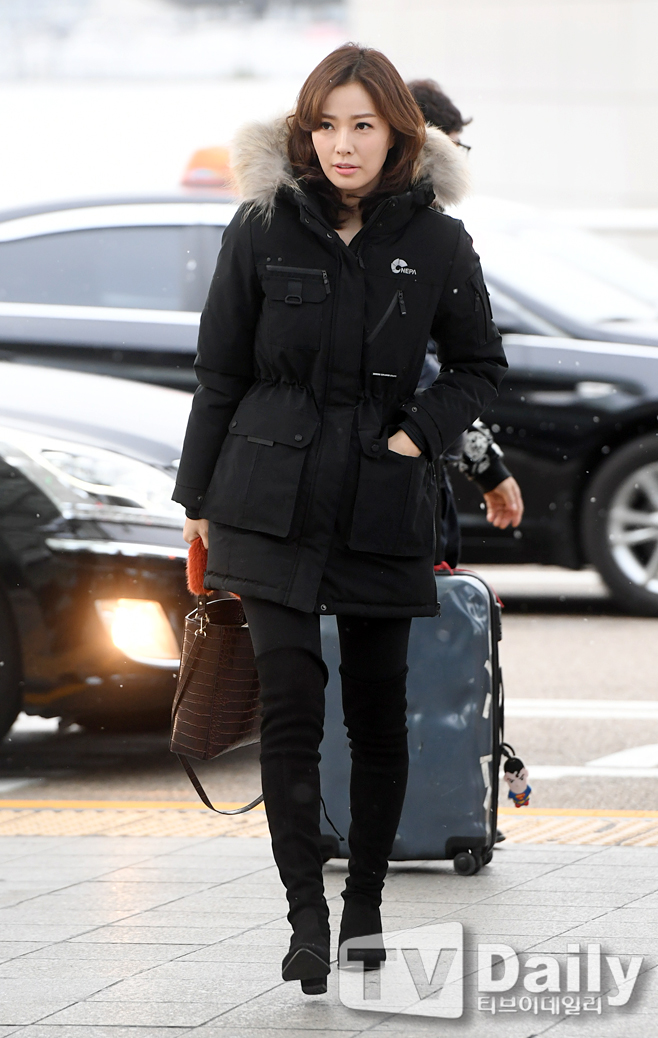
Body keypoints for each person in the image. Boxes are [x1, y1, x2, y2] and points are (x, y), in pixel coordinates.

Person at [173, 44, 507, 995]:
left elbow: (480, 367)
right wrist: (196, 502)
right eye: (326, 125)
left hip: (382, 504)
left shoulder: (438, 242)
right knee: (288, 707)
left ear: (398, 133)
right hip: (264, 500)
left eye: (363, 125)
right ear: (304, 131)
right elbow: (219, 374)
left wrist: (414, 438)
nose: (343, 144)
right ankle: (305, 920)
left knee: (375, 713)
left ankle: (364, 905)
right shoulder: (261, 228)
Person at [408, 78, 524, 563]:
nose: (459, 164)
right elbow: (424, 371)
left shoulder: (429, 233)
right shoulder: (415, 236)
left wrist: (483, 461)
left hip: (416, 465)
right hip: (406, 479)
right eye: (453, 149)